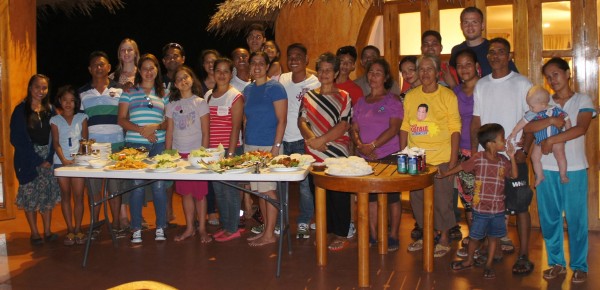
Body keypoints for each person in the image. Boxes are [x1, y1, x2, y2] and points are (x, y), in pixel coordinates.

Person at [525, 57, 596, 283]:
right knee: (550, 218)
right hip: (546, 169)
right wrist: (548, 125)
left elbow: (581, 128)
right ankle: (556, 263)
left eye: (556, 74)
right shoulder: (545, 103)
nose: (552, 80)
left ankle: (579, 266)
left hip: (574, 168)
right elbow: (529, 126)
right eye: (548, 77)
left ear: (568, 73)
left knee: (576, 219)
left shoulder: (583, 99)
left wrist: (550, 140)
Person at [470, 37, 534, 275]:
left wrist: (524, 151)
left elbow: (532, 121)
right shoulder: (482, 85)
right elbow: (476, 121)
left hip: (513, 156)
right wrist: (475, 149)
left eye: (500, 52)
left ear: (509, 56)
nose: (495, 55)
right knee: (489, 206)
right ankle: (492, 249)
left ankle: (524, 254)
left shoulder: (522, 83)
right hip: (487, 159)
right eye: (491, 52)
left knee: (521, 206)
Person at [400, 54, 461, 258]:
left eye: (429, 69)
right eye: (421, 69)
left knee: (442, 201)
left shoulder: (448, 96)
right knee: (417, 200)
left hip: (441, 158)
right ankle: (426, 235)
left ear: (437, 72)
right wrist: (404, 154)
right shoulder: (411, 96)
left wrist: (452, 163)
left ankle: (444, 237)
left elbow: (455, 129)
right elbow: (405, 127)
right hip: (416, 159)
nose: (425, 73)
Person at [442, 123, 518, 280]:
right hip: (480, 208)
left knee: (493, 238)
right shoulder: (478, 158)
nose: (505, 141)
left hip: (497, 209)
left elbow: (514, 175)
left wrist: (512, 157)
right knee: (475, 237)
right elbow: (462, 166)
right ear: (490, 143)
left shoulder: (503, 160)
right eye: (502, 139)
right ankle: (469, 260)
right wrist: (446, 173)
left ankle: (489, 264)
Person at [299, 52, 352, 251]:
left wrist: (321, 141)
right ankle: (327, 230)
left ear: (336, 72)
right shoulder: (309, 96)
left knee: (338, 196)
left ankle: (341, 233)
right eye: (321, 70)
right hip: (314, 153)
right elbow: (301, 121)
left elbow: (344, 125)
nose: (324, 73)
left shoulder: (344, 97)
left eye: (329, 70)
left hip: (337, 153)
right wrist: (312, 140)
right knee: (319, 193)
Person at [351, 58, 403, 252]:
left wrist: (372, 145)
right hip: (365, 158)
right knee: (371, 198)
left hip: (388, 155)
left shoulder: (393, 100)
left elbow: (394, 128)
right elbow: (354, 128)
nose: (373, 76)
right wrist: (359, 144)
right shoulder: (361, 102)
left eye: (378, 73)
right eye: (371, 72)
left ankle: (393, 236)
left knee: (392, 198)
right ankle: (372, 235)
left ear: (386, 77)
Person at [117, 53, 169, 243]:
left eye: (152, 68)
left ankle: (161, 226)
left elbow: (167, 122)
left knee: (159, 186)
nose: (148, 72)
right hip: (134, 146)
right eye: (145, 68)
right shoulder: (129, 92)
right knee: (137, 186)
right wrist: (141, 130)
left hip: (158, 145)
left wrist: (153, 128)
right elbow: (121, 119)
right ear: (139, 70)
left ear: (157, 70)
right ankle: (136, 227)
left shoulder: (164, 94)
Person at [10, 74, 61, 246]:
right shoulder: (20, 110)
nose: (41, 91)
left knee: (47, 195)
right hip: (27, 159)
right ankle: (35, 233)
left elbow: (56, 135)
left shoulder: (51, 110)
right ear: (30, 88)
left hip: (48, 156)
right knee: (30, 196)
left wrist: (48, 157)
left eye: (44, 88)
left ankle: (47, 231)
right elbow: (17, 139)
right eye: (37, 87)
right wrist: (37, 159)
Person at [79, 51, 125, 238]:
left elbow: (125, 117)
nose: (99, 67)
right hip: (94, 150)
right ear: (90, 69)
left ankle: (116, 224)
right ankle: (95, 224)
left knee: (115, 189)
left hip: (117, 148)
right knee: (94, 190)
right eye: (95, 65)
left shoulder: (121, 90)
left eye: (102, 64)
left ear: (109, 68)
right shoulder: (82, 93)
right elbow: (80, 122)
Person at [276, 43, 320, 239]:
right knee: (281, 184)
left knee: (304, 186)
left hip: (303, 140)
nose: (294, 60)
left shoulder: (314, 83)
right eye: (290, 57)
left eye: (298, 57)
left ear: (306, 59)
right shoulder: (283, 79)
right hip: (282, 139)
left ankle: (304, 221)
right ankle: (282, 220)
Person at [243, 51, 287, 246]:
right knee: (259, 191)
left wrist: (276, 148)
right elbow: (246, 119)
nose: (258, 66)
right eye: (254, 63)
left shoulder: (276, 88)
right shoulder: (248, 90)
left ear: (268, 66)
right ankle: (266, 231)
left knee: (268, 190)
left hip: (269, 146)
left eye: (262, 63)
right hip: (251, 146)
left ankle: (270, 233)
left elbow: (282, 120)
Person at [165, 66, 212, 243]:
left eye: (186, 77)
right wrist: (169, 156)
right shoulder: (171, 106)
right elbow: (169, 132)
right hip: (179, 156)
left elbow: (206, 132)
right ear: (175, 85)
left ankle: (202, 229)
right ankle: (190, 228)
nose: (183, 81)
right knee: (186, 194)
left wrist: (203, 155)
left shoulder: (200, 102)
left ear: (192, 79)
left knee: (200, 194)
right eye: (179, 79)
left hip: (196, 155)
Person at [205, 58, 245, 242]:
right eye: (218, 71)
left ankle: (233, 227)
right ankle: (226, 224)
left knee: (231, 190)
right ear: (213, 73)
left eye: (225, 71)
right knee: (218, 190)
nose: (221, 74)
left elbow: (236, 127)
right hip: (213, 153)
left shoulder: (235, 96)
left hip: (231, 150)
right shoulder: (208, 96)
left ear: (231, 74)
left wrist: (229, 154)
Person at [508, 86, 571, 186]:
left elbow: (566, 118)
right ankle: (539, 175)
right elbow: (522, 123)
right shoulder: (532, 113)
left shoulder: (556, 110)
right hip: (540, 141)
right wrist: (514, 133)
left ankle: (563, 174)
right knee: (534, 157)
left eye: (532, 106)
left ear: (543, 104)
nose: (530, 109)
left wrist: (568, 130)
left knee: (560, 155)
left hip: (556, 139)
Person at [50, 85, 88, 246]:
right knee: (66, 195)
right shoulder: (55, 120)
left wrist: (78, 157)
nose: (68, 103)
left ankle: (79, 229)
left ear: (76, 103)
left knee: (78, 196)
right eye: (64, 100)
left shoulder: (82, 117)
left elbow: (84, 140)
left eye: (72, 101)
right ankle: (70, 229)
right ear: (59, 101)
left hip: (78, 163)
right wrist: (64, 160)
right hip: (61, 163)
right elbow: (56, 143)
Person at [452, 48, 480, 256]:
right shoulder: (455, 92)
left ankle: (487, 241)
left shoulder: (487, 87)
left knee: (485, 198)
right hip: (462, 151)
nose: (464, 69)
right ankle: (473, 239)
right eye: (460, 65)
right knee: (468, 200)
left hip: (483, 151)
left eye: (468, 64)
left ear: (476, 66)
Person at [449, 6, 518, 78]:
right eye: (466, 22)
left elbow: (514, 78)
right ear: (461, 26)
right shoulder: (456, 50)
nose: (470, 26)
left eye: (474, 22)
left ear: (482, 25)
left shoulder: (494, 49)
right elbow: (454, 79)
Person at [197, 49, 221, 226]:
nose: (211, 65)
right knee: (208, 178)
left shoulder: (226, 82)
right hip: (204, 135)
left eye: (214, 61)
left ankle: (231, 213)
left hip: (224, 136)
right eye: (207, 62)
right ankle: (211, 212)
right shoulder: (198, 86)